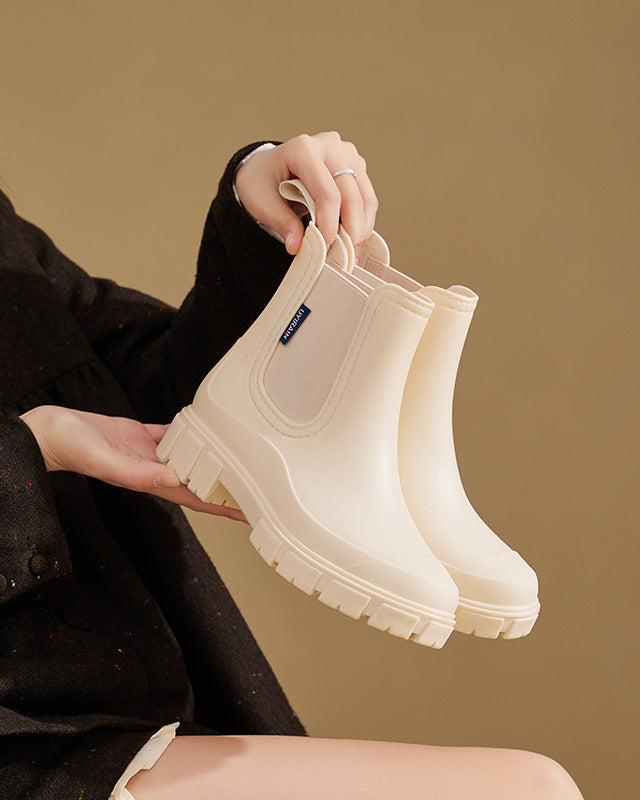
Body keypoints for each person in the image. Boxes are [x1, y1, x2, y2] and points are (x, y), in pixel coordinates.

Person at [0, 131, 584, 799]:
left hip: (118, 699)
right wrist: (31, 448)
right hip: (28, 733)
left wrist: (263, 217)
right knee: (530, 789)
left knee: (536, 787)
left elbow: (151, 388)